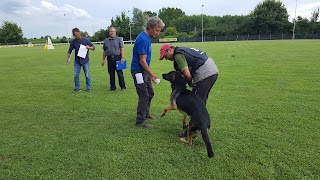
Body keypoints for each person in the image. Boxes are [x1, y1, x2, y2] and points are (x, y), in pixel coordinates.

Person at [131, 16, 165, 128]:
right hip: (138, 72)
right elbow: (142, 61)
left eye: (159, 30)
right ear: (150, 27)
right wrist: (152, 75)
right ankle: (140, 121)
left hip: (143, 71)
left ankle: (146, 114)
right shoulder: (143, 39)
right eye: (157, 30)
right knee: (144, 95)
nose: (158, 33)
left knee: (150, 92)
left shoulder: (147, 38)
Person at [67, 28, 95, 93]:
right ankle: (77, 88)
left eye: (76, 35)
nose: (75, 37)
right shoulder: (73, 42)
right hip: (77, 62)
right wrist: (68, 58)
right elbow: (69, 51)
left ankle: (88, 88)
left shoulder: (86, 40)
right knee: (76, 75)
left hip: (85, 61)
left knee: (87, 75)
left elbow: (93, 48)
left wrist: (89, 47)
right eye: (74, 36)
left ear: (79, 33)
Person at [101, 27, 126, 91]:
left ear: (115, 32)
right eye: (111, 31)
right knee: (111, 73)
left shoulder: (119, 39)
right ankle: (112, 87)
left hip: (118, 58)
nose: (112, 32)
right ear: (109, 32)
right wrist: (103, 60)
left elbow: (122, 49)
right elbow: (104, 51)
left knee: (120, 73)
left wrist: (122, 58)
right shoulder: (106, 41)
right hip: (109, 59)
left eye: (113, 31)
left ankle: (123, 87)